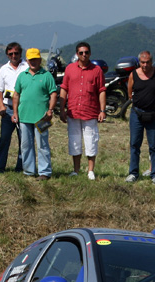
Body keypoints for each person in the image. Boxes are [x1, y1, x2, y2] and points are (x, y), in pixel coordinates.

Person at [58, 42, 106, 181]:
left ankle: (91, 170)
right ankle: (76, 170)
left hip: (90, 111)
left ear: (90, 53)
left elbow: (102, 90)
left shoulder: (97, 70)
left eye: (86, 52)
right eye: (81, 53)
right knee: (74, 141)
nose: (84, 55)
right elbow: (64, 88)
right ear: (77, 54)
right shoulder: (70, 69)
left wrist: (102, 110)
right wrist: (62, 109)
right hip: (73, 111)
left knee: (91, 141)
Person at [12, 48, 58, 181]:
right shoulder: (22, 76)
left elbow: (53, 94)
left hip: (43, 117)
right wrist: (15, 113)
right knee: (26, 145)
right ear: (27, 60)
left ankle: (44, 172)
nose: (33, 62)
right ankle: (29, 171)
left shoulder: (47, 75)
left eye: (35, 59)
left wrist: (50, 110)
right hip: (24, 116)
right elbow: (16, 95)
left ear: (40, 60)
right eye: (31, 60)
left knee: (42, 145)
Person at [125, 51, 155, 186]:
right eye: (143, 62)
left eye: (148, 62)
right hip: (137, 114)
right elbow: (130, 94)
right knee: (134, 144)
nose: (145, 65)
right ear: (139, 62)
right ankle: (133, 173)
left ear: (152, 62)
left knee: (154, 146)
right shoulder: (133, 74)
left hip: (154, 114)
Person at [0, 42, 28, 172]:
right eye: (10, 54)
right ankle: (0, 167)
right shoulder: (3, 69)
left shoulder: (27, 67)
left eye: (16, 53)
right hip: (8, 109)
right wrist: (1, 106)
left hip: (23, 108)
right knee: (4, 138)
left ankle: (21, 167)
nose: (14, 56)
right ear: (7, 55)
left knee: (24, 140)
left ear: (20, 53)